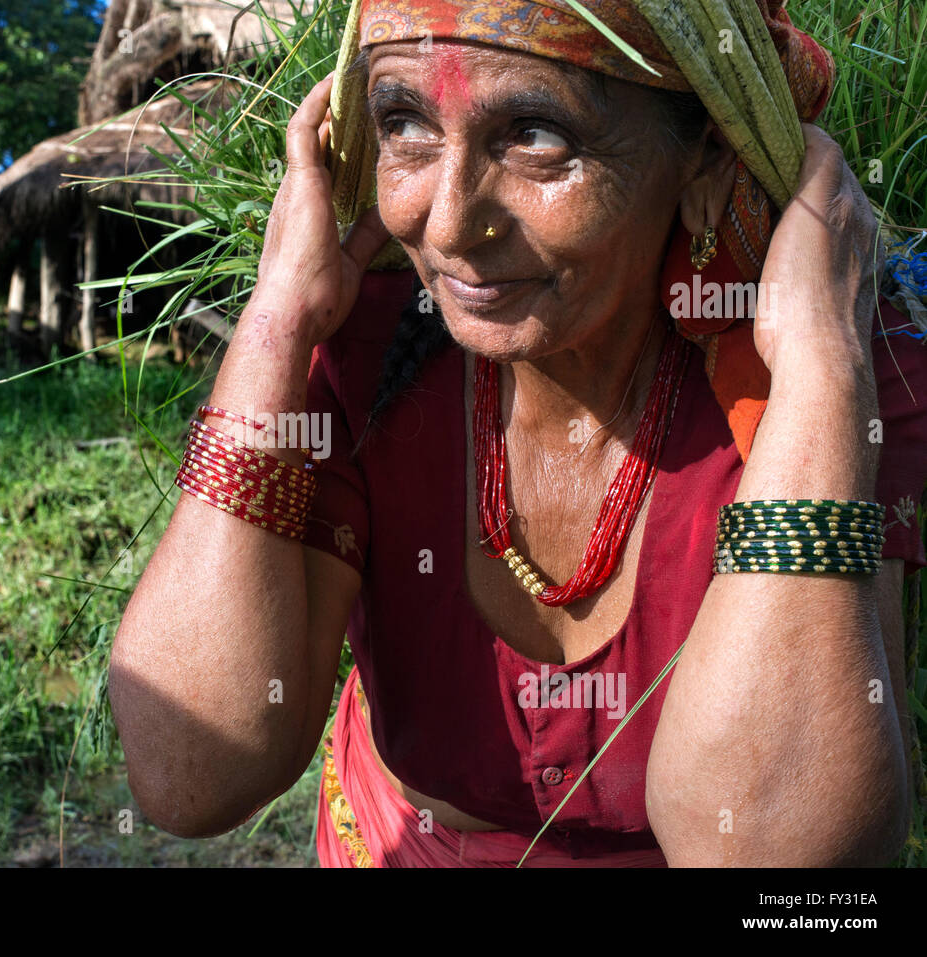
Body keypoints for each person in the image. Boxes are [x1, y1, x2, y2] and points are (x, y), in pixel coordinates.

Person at [109, 0, 927, 866]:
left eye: (537, 135)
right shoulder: (370, 348)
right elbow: (188, 771)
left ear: (708, 163)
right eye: (404, 124)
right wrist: (278, 314)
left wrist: (822, 366)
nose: (452, 224)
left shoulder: (832, 383)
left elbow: (770, 861)